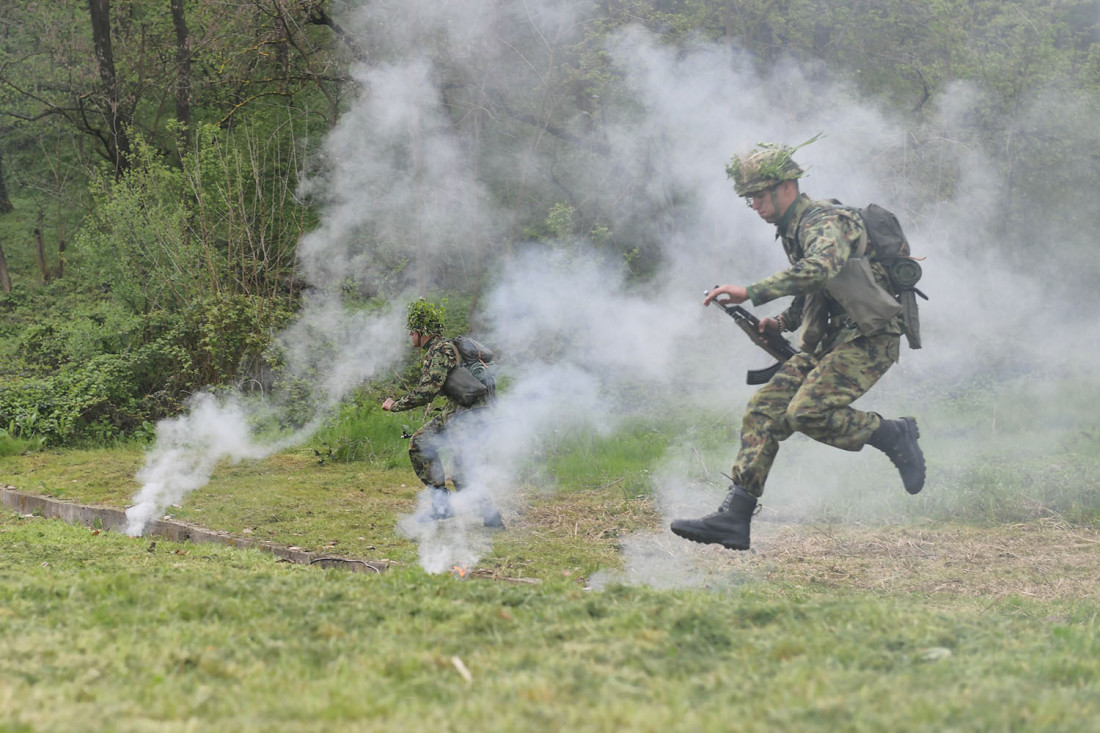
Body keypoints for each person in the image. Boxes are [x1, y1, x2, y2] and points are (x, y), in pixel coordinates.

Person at [670, 141, 925, 551]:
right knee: (764, 411)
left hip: (870, 335)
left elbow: (822, 266)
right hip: (829, 340)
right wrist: (783, 322)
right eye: (748, 198)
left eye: (757, 195)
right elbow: (815, 287)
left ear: (786, 187)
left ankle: (893, 434)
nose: (753, 205)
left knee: (806, 412)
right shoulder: (792, 230)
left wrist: (751, 292)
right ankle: (735, 518)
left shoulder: (822, 220)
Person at [382, 298, 503, 528]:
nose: (409, 335)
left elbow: (427, 391)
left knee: (461, 471)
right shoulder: (442, 349)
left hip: (471, 415)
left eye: (412, 331)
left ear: (422, 331)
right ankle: (442, 505)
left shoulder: (440, 350)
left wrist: (394, 405)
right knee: (419, 443)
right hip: (458, 412)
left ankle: (491, 518)